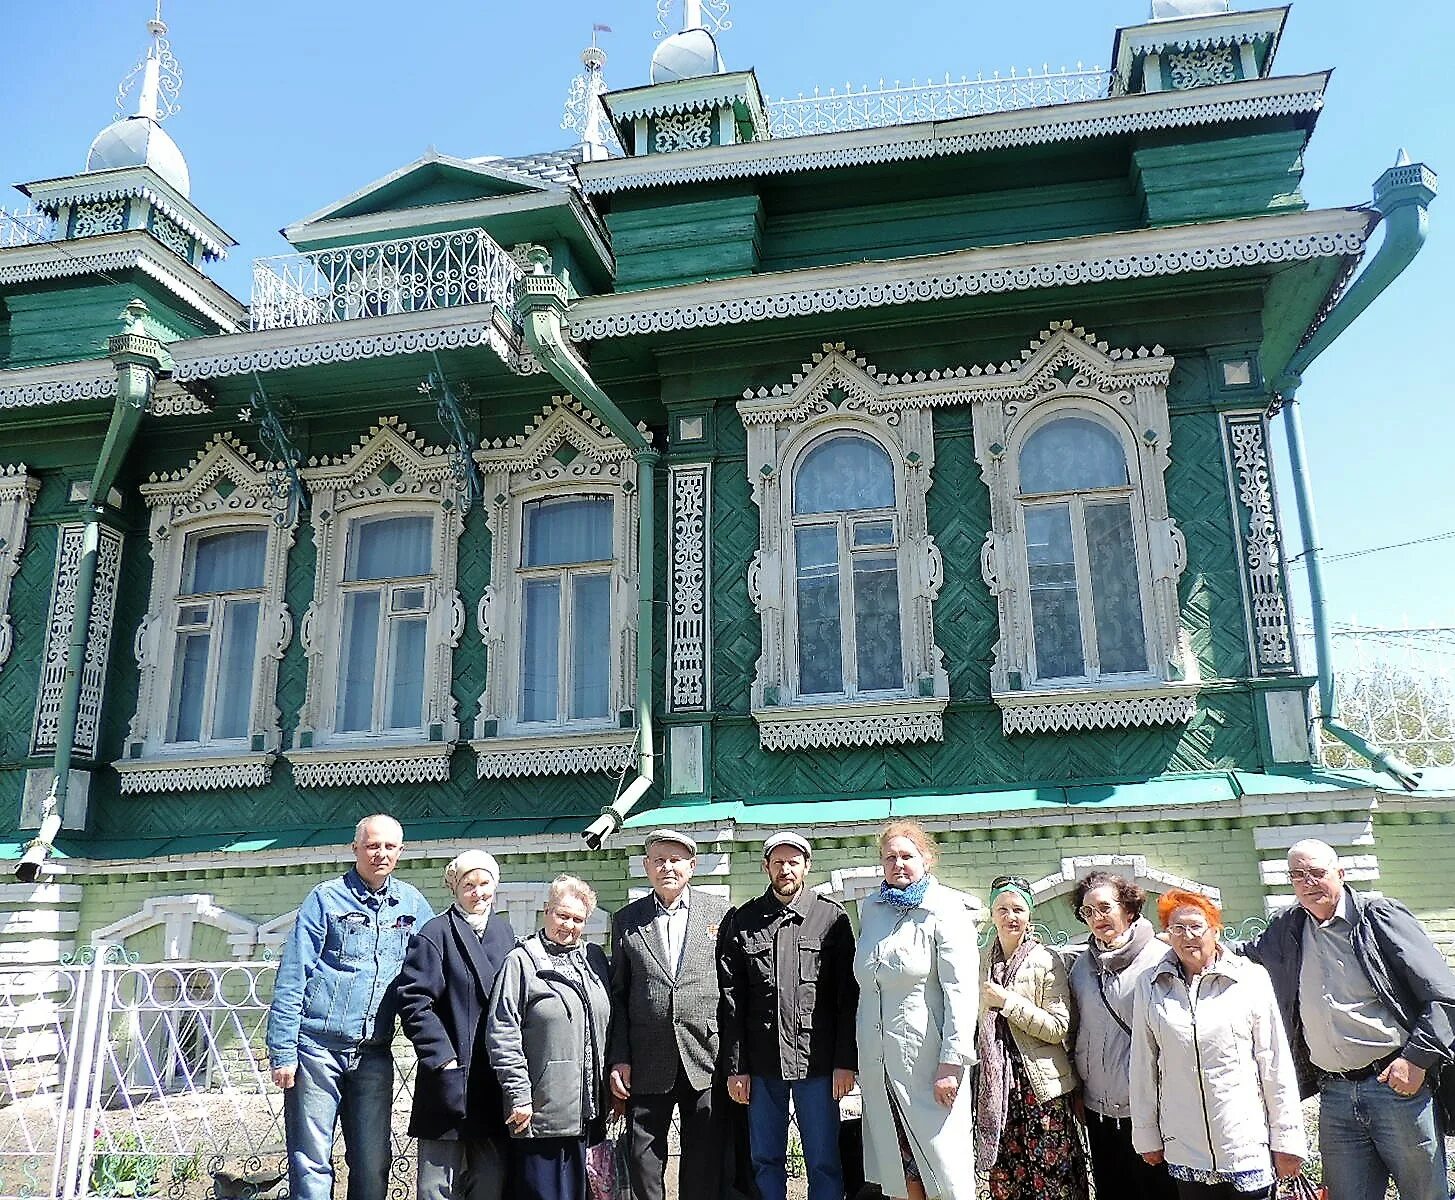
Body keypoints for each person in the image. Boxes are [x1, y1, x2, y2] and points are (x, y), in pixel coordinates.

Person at [1239, 838, 1455, 1200]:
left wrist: (1416, 1060)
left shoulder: (1377, 917)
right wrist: (1179, 942)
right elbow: (1240, 956)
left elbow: (1444, 994)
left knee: (1425, 1196)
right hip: (1335, 1094)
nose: (1308, 883)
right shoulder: (1288, 928)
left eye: (1317, 873)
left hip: (1396, 1087)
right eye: (1297, 876)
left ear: (1340, 873)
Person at [266, 814, 434, 1200]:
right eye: (373, 845)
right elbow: (294, 973)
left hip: (374, 1054)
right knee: (311, 1159)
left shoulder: (410, 904)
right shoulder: (326, 898)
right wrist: (282, 1052)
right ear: (355, 848)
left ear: (400, 852)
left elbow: (434, 964)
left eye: (389, 847)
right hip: (316, 1050)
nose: (381, 853)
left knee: (373, 1162)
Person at [1131, 890, 1305, 1199]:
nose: (1188, 936)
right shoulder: (1150, 984)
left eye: (1196, 926)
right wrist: (1146, 1134)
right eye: (1177, 928)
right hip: (1185, 1147)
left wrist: (1287, 1140)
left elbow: (1274, 1061)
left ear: (1215, 929)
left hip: (1245, 1144)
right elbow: (1144, 1065)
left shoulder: (1250, 979)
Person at [719, 831, 858, 1200]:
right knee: (765, 1158)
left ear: (806, 867)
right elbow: (732, 1001)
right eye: (778, 862)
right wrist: (737, 1067)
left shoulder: (832, 919)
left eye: (793, 862)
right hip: (763, 1065)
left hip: (818, 1064)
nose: (785, 869)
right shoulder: (744, 921)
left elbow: (848, 998)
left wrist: (846, 1061)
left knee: (824, 1158)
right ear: (766, 867)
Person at [854, 820, 978, 1200]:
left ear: (926, 859)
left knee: (944, 1168)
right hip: (879, 1065)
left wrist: (952, 1062)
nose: (898, 864)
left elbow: (961, 990)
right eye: (889, 857)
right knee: (898, 1166)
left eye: (907, 856)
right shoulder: (871, 910)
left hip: (927, 1064)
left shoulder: (945, 909)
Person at [608, 829, 731, 1200]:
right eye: (659, 860)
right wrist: (620, 1058)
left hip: (705, 1054)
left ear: (691, 867)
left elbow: (731, 990)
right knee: (644, 1157)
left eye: (675, 860)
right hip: (648, 1059)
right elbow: (619, 996)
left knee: (705, 1158)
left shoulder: (720, 914)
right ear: (646, 867)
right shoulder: (627, 920)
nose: (667, 867)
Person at [396, 850, 516, 1200]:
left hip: (493, 1077)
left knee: (490, 1182)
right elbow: (414, 1001)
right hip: (450, 1077)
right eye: (469, 885)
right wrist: (442, 1058)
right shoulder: (436, 933)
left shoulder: (504, 932)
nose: (478, 893)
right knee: (438, 1187)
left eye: (485, 884)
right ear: (455, 888)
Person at [486, 874, 611, 1200]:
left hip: (589, 1112)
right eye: (562, 915)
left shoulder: (593, 960)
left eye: (578, 919)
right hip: (542, 1111)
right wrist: (518, 1094)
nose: (569, 925)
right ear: (547, 911)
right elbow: (502, 1032)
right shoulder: (522, 962)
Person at [1064, 872, 1177, 1200]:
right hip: (1099, 1110)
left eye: (1104, 907)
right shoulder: (1082, 967)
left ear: (1128, 909)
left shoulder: (1160, 959)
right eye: (1088, 912)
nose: (1097, 918)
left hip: (1152, 1111)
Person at [975, 876, 1088, 1200]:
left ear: (1029, 915)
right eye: (1003, 909)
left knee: (1053, 1179)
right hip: (998, 1090)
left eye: (1018, 909)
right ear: (992, 913)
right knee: (1009, 1178)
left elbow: (1058, 1027)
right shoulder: (981, 961)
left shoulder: (1045, 959)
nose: (1011, 917)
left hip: (1040, 1090)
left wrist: (1008, 1002)